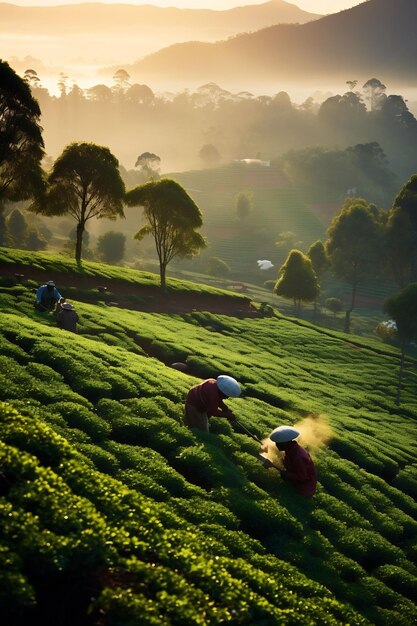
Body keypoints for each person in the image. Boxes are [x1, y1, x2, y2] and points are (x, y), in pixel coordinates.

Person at [263, 425, 317, 497]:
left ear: (286, 443)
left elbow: (302, 477)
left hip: (303, 490)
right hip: (296, 483)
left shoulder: (299, 457)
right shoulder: (291, 450)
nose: (276, 445)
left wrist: (285, 474)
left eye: (279, 443)